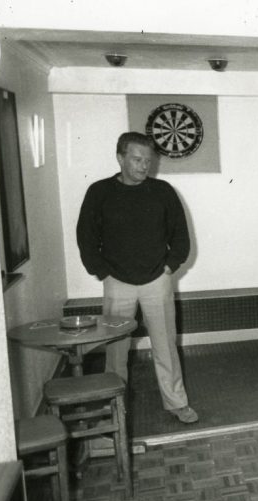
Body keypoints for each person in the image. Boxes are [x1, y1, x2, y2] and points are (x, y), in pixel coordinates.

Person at [76, 132, 199, 424]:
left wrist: (169, 267)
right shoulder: (99, 192)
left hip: (157, 279)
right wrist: (101, 271)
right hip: (117, 281)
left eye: (148, 160)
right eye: (137, 159)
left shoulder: (163, 191)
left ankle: (176, 402)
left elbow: (181, 237)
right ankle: (112, 407)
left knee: (166, 346)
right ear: (120, 158)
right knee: (116, 351)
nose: (144, 166)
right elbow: (86, 237)